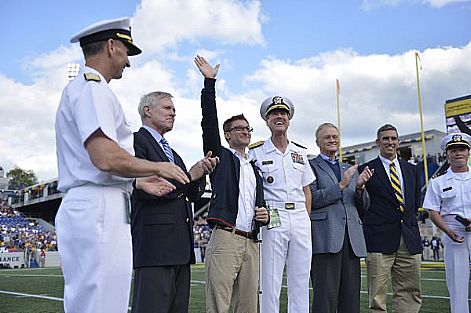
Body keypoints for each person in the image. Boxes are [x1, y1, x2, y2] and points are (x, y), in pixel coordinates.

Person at [55, 17, 190, 313]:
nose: (128, 62)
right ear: (112, 47)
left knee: (97, 302)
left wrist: (136, 181)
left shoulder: (86, 89)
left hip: (98, 201)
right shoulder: (93, 88)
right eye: (127, 51)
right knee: (101, 304)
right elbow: (104, 157)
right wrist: (156, 168)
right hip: (98, 207)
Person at [130, 91, 218, 313]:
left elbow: (190, 195)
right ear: (147, 111)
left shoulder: (173, 154)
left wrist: (201, 173)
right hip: (155, 247)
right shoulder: (135, 141)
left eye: (174, 110)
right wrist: (190, 174)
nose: (173, 113)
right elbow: (154, 188)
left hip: (179, 246)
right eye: (167, 108)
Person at [194, 55, 269, 312]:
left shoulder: (254, 167)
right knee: (219, 304)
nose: (245, 132)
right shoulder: (221, 156)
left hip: (251, 241)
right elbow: (209, 122)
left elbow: (261, 206)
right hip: (227, 238)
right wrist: (209, 83)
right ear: (227, 135)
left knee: (248, 306)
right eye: (239, 128)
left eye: (248, 128)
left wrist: (265, 215)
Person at [249, 96, 316, 313]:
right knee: (270, 278)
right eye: (274, 114)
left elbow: (306, 190)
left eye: (283, 113)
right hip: (273, 215)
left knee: (300, 277)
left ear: (289, 119)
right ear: (267, 121)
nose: (279, 117)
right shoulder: (256, 152)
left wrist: (304, 218)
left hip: (299, 216)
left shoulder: (300, 152)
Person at [309, 122, 373, 313]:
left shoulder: (349, 168)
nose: (331, 140)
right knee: (325, 298)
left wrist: (360, 187)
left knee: (351, 298)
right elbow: (311, 199)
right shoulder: (310, 166)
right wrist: (341, 185)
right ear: (317, 142)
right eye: (327, 137)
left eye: (334, 137)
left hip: (352, 239)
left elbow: (363, 207)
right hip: (326, 237)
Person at [359, 124, 423, 313]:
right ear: (378, 142)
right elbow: (361, 205)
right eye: (385, 138)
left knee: (410, 291)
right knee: (377, 296)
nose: (390, 142)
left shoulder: (411, 169)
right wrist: (360, 187)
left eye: (393, 138)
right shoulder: (366, 169)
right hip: (379, 239)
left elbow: (414, 202)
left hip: (409, 238)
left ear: (398, 141)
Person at [423, 132, 471, 313]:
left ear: (468, 152)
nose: (458, 153)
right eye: (453, 150)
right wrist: (448, 230)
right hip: (454, 231)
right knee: (457, 283)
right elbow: (432, 211)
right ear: (447, 154)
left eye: (462, 149)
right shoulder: (438, 181)